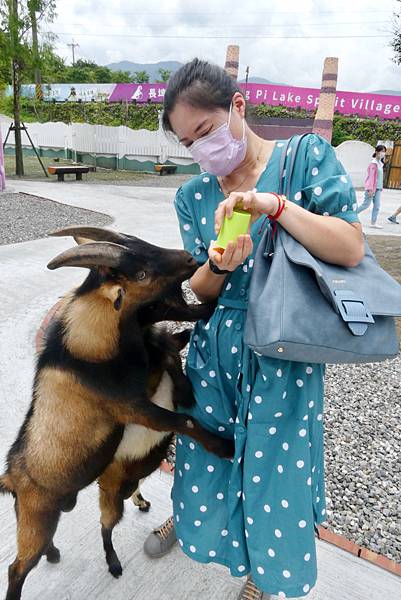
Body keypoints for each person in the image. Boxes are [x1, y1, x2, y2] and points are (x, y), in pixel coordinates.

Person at [143, 59, 364, 599]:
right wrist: (217, 265)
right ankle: (200, 525)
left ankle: (263, 576)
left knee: (273, 467)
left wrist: (276, 207)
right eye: (188, 142)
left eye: (207, 131)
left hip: (281, 351)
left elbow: (351, 246)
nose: (203, 151)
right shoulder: (194, 196)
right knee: (207, 451)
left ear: (237, 108)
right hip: (216, 351)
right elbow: (200, 292)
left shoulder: (303, 158)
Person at [357, 144, 387, 228]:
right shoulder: (373, 164)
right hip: (372, 189)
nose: (383, 153)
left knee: (377, 206)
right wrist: (370, 189)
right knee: (365, 205)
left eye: (384, 152)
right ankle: (351, 215)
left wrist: (380, 188)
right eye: (382, 151)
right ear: (377, 152)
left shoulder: (380, 163)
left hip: (378, 189)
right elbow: (371, 178)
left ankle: (373, 223)